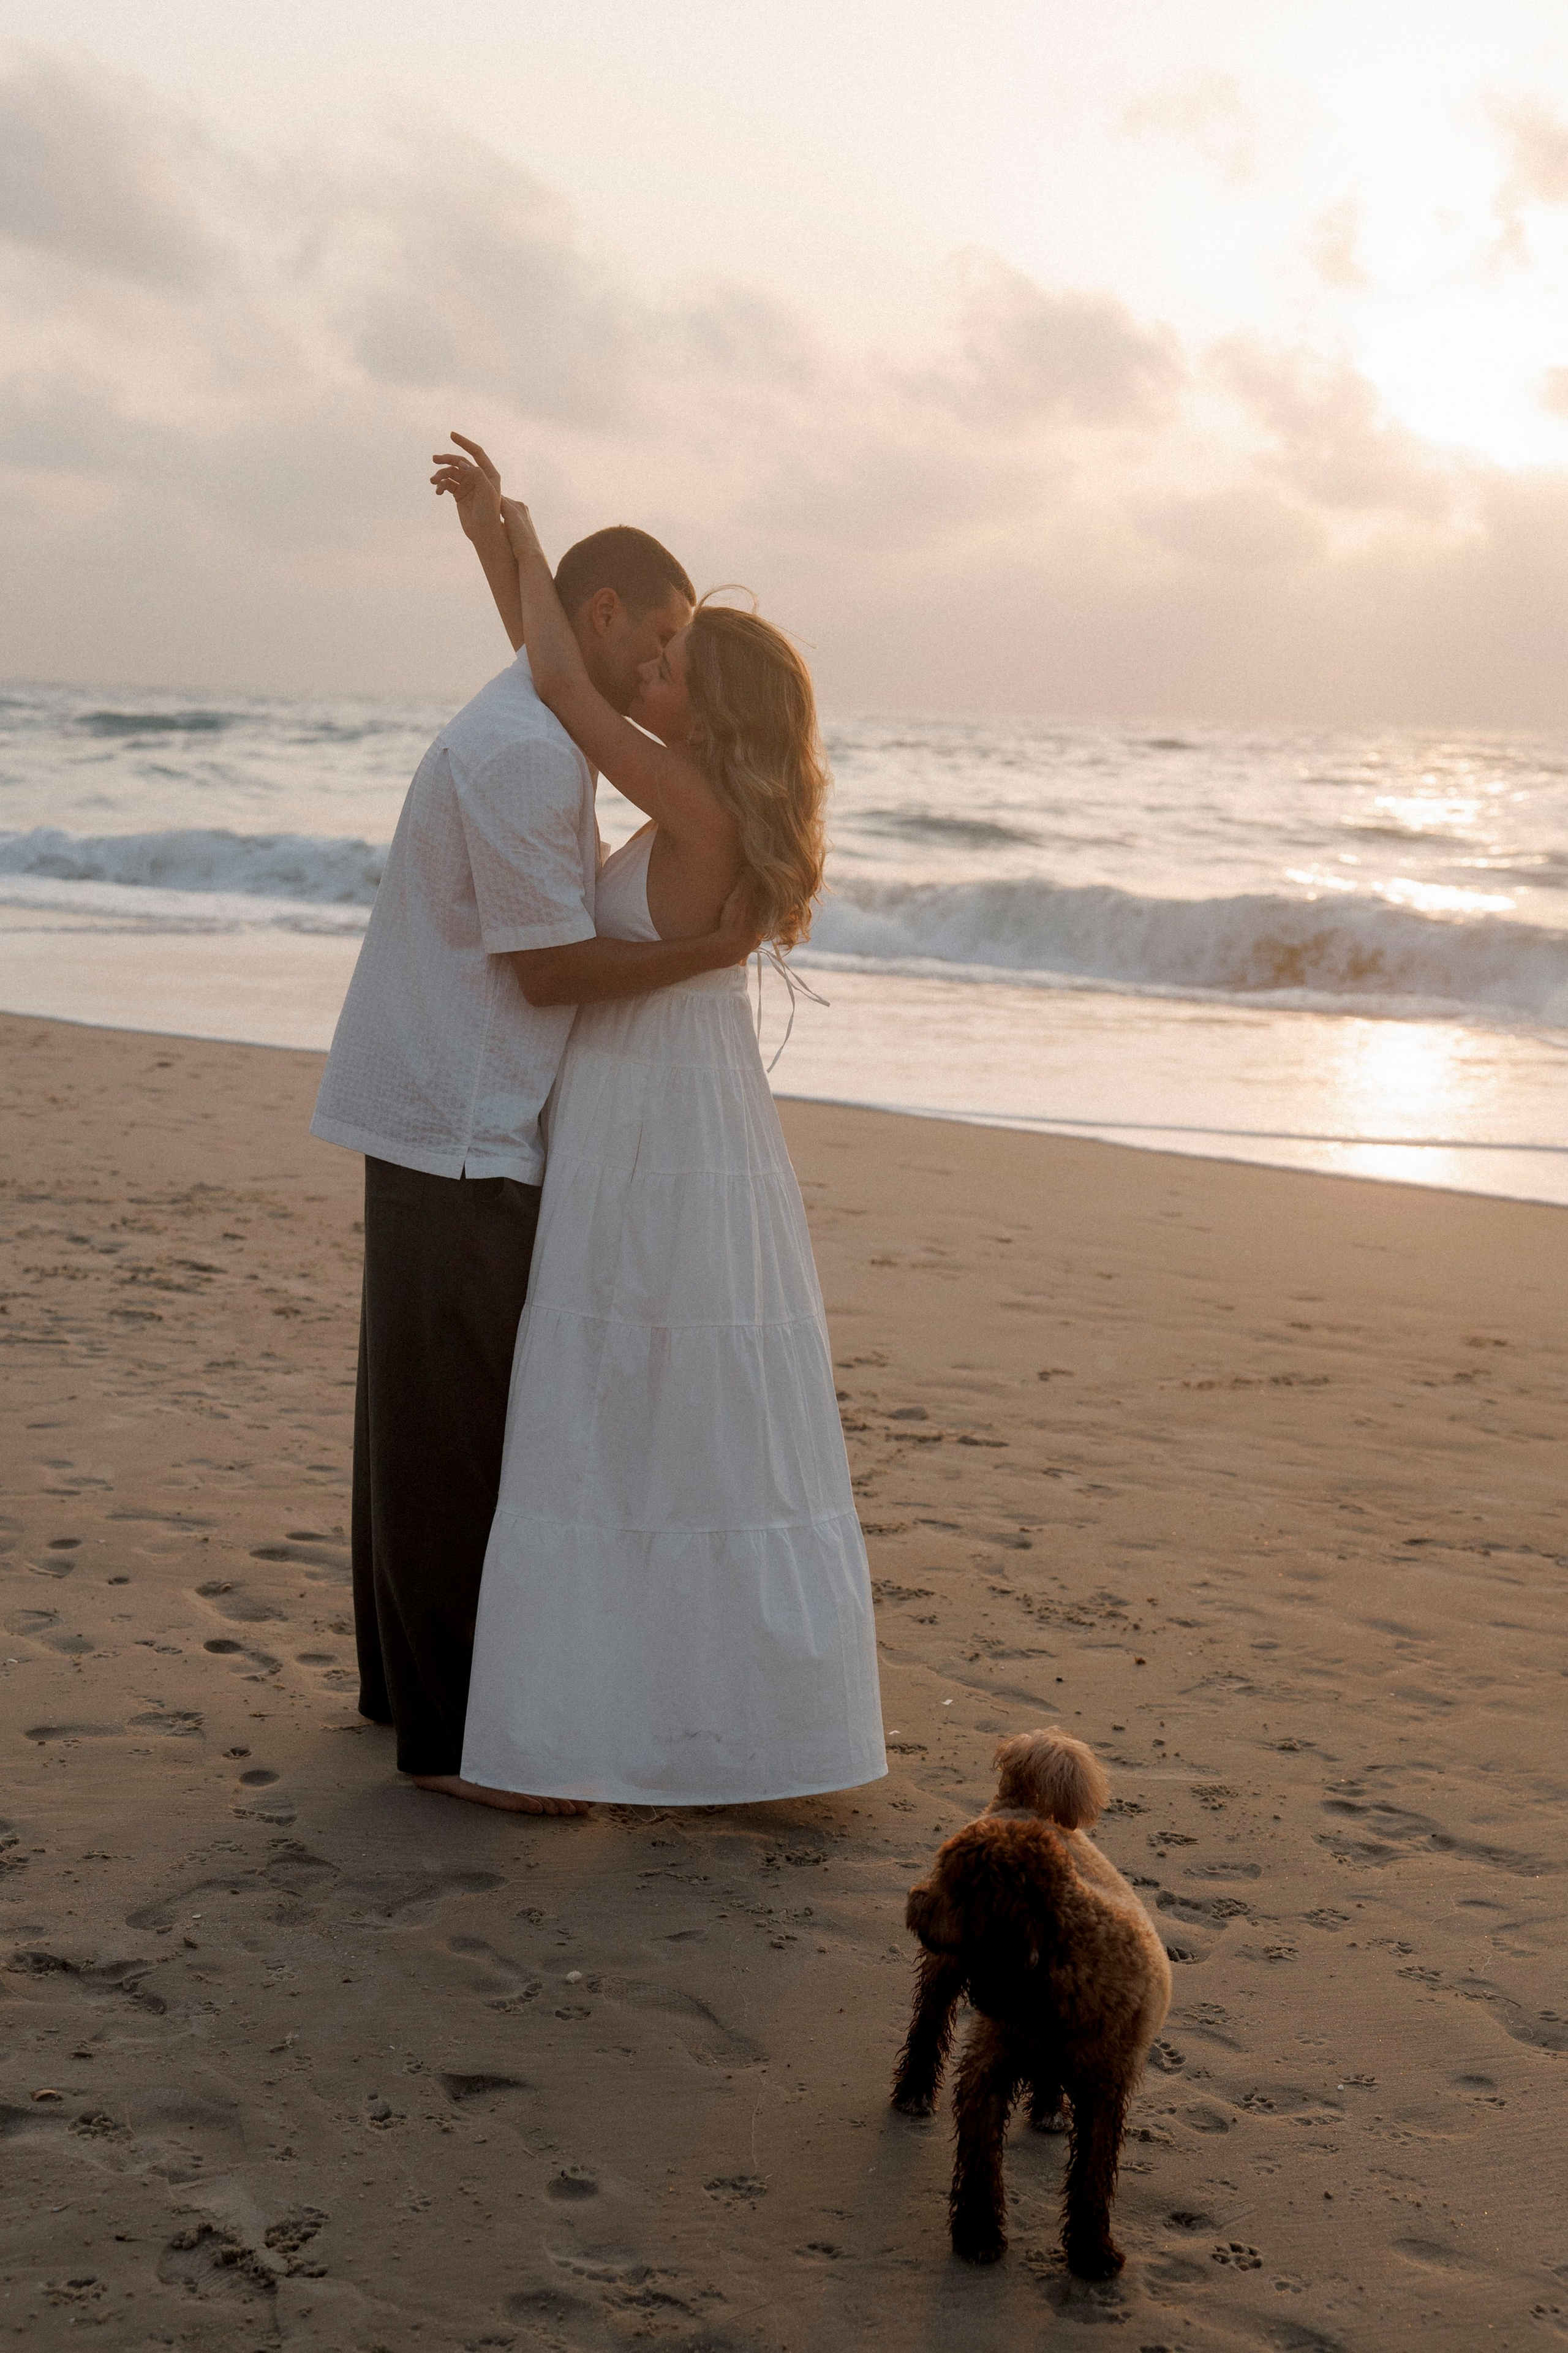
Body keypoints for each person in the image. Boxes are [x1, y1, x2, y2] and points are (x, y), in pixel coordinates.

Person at [428, 438, 887, 1810]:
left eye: (677, 663)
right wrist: (498, 550)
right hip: (691, 1121)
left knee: (613, 1402)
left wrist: (505, 534)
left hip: (649, 1129)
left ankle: (592, 1734)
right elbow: (570, 678)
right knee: (688, 1414)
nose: (653, 669)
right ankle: (717, 1730)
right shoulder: (711, 801)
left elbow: (558, 680)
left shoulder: (687, 798)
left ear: (713, 707)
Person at [309, 496, 763, 1813]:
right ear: (604, 619)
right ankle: (450, 1747)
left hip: (442, 1100)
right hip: (458, 1114)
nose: (671, 661)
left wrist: (501, 554)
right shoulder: (523, 755)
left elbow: (549, 649)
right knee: (450, 1429)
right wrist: (710, 957)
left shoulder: (537, 715)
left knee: (410, 1412)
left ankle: (402, 1690)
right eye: (664, 634)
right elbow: (552, 967)